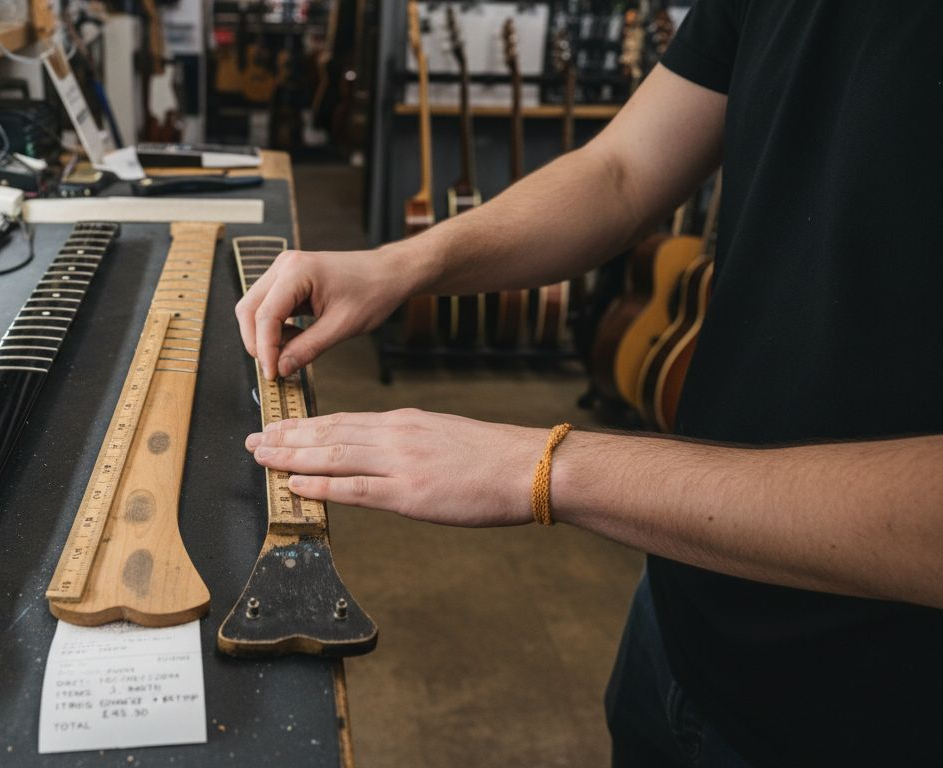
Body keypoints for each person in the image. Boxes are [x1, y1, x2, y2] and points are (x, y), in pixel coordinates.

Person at [233, 3, 943, 766]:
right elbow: (621, 172)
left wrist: (546, 468)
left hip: (874, 711)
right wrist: (399, 265)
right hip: (681, 610)